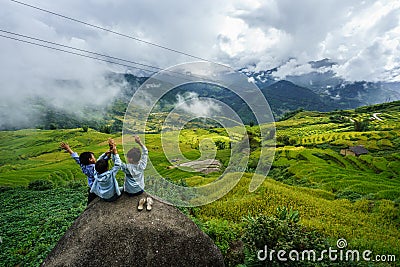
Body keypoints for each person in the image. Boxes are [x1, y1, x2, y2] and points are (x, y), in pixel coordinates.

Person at [110, 136, 153, 211]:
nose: (127, 158)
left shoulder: (127, 168)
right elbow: (145, 151)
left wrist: (114, 151)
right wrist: (139, 142)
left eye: (128, 157)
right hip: (140, 190)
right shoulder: (142, 165)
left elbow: (117, 163)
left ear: (131, 159)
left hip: (129, 192)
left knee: (119, 188)